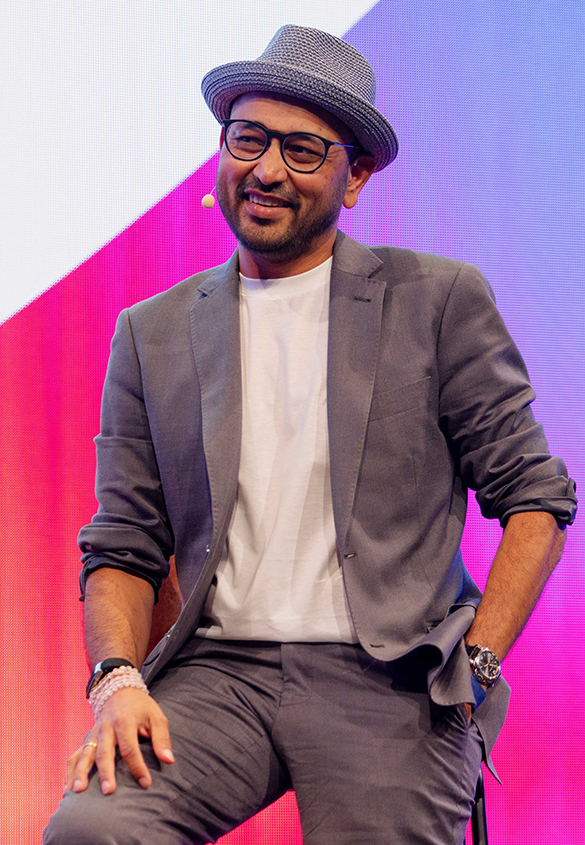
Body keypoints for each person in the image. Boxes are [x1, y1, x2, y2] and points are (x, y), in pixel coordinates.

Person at [44, 24, 576, 845]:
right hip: (219, 674)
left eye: (300, 150)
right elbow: (124, 541)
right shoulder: (152, 331)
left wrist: (474, 665)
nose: (265, 169)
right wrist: (117, 680)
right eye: (247, 138)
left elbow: (536, 500)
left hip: (394, 679)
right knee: (92, 831)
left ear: (353, 175)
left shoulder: (436, 301)